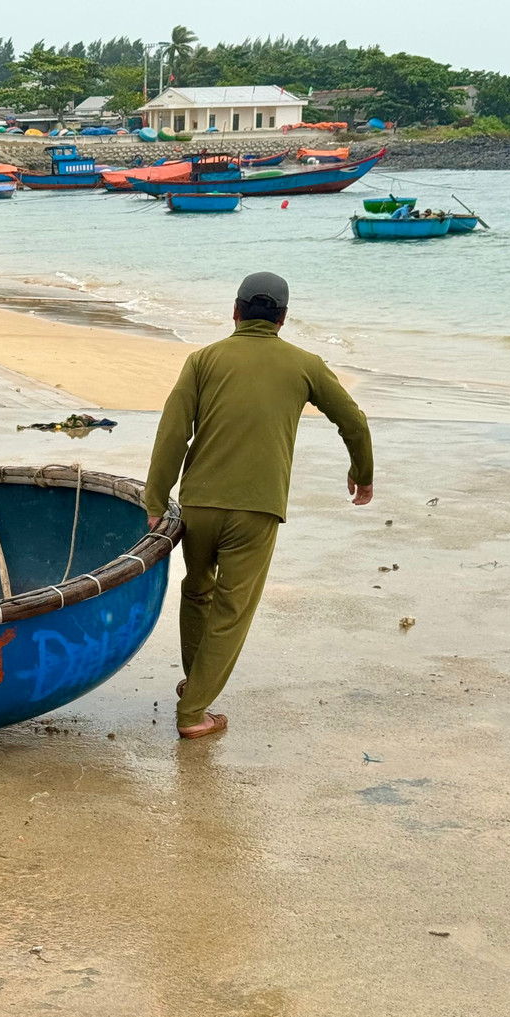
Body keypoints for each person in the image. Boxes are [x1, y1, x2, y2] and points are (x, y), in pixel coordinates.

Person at [145, 272, 374, 740]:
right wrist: (362, 474)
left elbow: (173, 433)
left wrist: (155, 498)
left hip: (199, 503)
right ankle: (193, 713)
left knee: (198, 589)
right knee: (232, 608)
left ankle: (196, 682)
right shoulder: (304, 363)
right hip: (257, 509)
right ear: (283, 319)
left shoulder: (202, 361)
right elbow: (353, 420)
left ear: (235, 311)